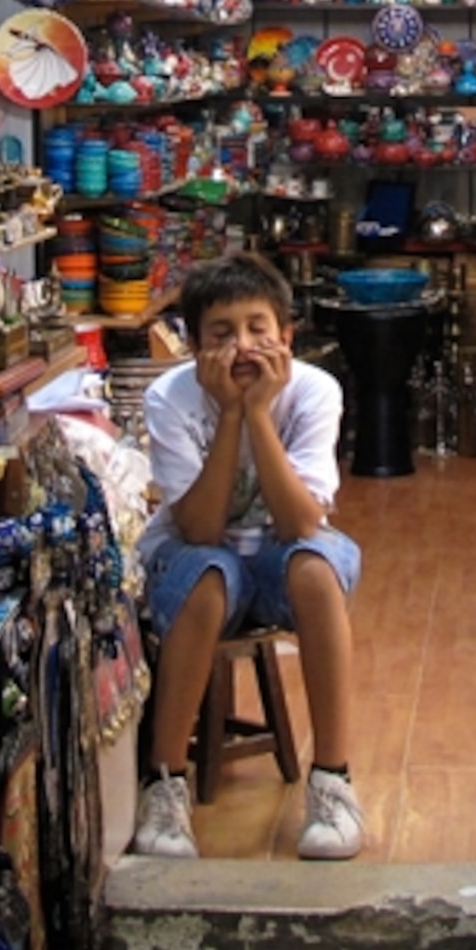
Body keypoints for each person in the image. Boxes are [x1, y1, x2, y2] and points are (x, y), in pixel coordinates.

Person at [128, 254, 363, 861]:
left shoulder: (315, 391)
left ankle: (333, 780)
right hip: (198, 558)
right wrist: (231, 411)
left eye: (259, 328)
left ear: (287, 335)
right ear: (193, 345)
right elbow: (202, 528)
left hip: (282, 551)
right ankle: (165, 784)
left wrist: (260, 410)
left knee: (315, 565)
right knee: (208, 573)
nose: (243, 346)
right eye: (222, 333)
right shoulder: (171, 398)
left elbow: (302, 521)